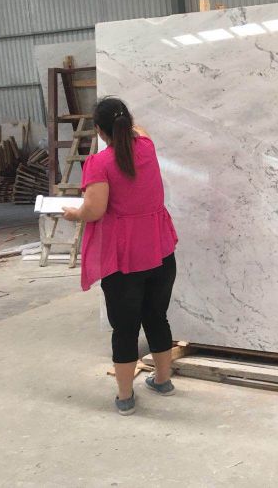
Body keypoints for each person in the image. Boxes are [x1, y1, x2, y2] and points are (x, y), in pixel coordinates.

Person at [62, 97, 179, 414]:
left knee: (125, 328)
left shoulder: (99, 163)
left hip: (124, 258)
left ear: (100, 132)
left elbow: (94, 210)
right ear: (127, 123)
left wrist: (73, 213)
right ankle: (163, 381)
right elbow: (139, 130)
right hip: (160, 250)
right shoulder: (147, 148)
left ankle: (126, 397)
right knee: (157, 317)